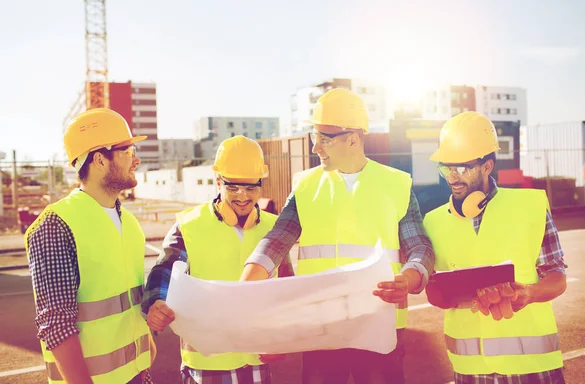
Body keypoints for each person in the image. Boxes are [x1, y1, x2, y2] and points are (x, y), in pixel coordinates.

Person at [240, 88, 434, 384]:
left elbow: (419, 246)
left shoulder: (395, 184)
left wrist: (407, 279)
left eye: (324, 139)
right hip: (323, 328)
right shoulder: (306, 186)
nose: (316, 147)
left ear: (353, 139)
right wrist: (243, 288)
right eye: (313, 137)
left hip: (378, 327)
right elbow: (276, 240)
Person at [423, 112, 568, 384]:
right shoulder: (432, 222)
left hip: (533, 368)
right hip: (471, 370)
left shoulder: (530, 207)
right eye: (446, 169)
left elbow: (557, 276)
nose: (452, 178)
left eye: (462, 168)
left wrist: (530, 293)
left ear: (487, 166)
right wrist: (446, 293)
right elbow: (435, 294)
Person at [142, 136, 294, 384]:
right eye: (233, 187)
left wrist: (284, 335)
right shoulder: (190, 226)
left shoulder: (274, 228)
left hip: (257, 359)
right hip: (208, 363)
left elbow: (288, 288)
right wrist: (156, 302)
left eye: (251, 187)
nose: (242, 196)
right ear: (218, 181)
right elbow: (164, 272)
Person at [25, 108, 154, 384]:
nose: (137, 159)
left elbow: (130, 302)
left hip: (137, 375)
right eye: (128, 151)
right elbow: (56, 324)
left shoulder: (129, 222)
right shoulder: (55, 225)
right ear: (100, 159)